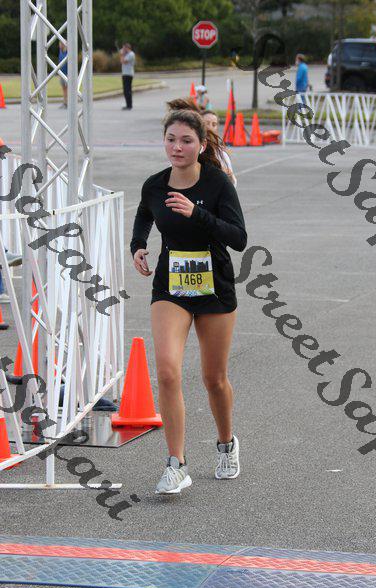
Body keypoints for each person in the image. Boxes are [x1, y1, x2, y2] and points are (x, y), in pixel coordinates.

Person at [130, 109, 247, 495]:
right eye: (171, 139)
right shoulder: (154, 185)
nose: (177, 147)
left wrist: (197, 213)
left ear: (201, 144)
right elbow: (144, 213)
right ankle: (176, 464)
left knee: (214, 379)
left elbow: (239, 238)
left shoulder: (217, 183)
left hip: (214, 287)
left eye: (186, 141)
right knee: (167, 371)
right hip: (171, 287)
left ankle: (226, 443)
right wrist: (138, 245)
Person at [202, 110, 237, 187]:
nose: (210, 127)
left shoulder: (221, 154)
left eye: (214, 124)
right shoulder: (193, 150)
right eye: (206, 123)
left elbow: (233, 184)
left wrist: (229, 176)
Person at [120, 43, 135, 110]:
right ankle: (128, 104)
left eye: (124, 48)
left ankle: (129, 105)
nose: (123, 49)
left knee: (127, 90)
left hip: (128, 74)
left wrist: (122, 54)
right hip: (125, 74)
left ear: (127, 48)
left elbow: (123, 61)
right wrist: (123, 54)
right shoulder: (126, 54)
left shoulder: (131, 54)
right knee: (125, 90)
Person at [58, 42, 68, 108]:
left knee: (67, 89)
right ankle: (65, 102)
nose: (60, 45)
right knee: (64, 89)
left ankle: (67, 102)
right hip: (61, 73)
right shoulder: (60, 52)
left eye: (61, 44)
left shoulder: (67, 52)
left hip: (67, 74)